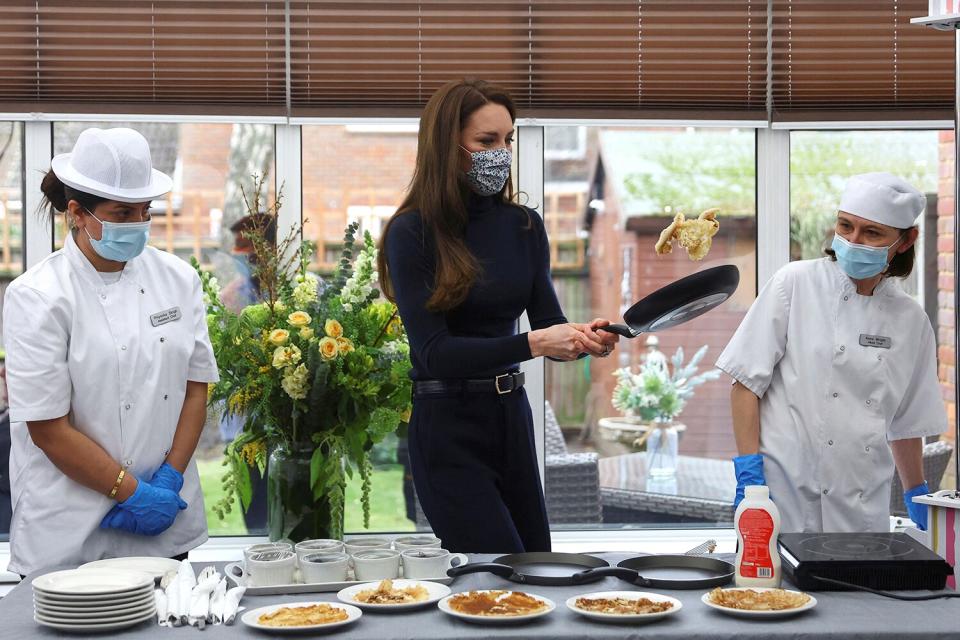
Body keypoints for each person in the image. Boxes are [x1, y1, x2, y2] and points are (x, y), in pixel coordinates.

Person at [378, 78, 619, 553]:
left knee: (537, 571)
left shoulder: (524, 226)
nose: (501, 153)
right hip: (447, 429)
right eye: (486, 141)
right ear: (447, 145)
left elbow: (549, 323)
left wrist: (582, 339)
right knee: (495, 582)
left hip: (511, 421)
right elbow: (435, 354)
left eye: (507, 139)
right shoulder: (411, 234)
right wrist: (532, 344)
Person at [3, 127, 218, 575]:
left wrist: (169, 479)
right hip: (69, 531)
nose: (139, 222)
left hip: (165, 524)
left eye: (146, 210)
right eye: (123, 212)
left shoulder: (179, 280)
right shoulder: (37, 296)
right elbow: (47, 427)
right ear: (78, 213)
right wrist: (132, 492)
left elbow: (196, 389)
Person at [717, 172, 946, 533]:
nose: (854, 241)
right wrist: (749, 472)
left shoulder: (911, 320)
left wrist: (916, 492)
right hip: (783, 494)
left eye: (872, 233)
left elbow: (908, 422)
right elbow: (745, 382)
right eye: (846, 226)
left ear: (905, 240)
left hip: (861, 505)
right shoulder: (794, 283)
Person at [217, 213, 276, 534]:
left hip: (298, 434)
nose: (246, 261)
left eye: (251, 253)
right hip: (245, 434)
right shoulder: (229, 301)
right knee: (256, 525)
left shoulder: (307, 294)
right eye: (239, 255)